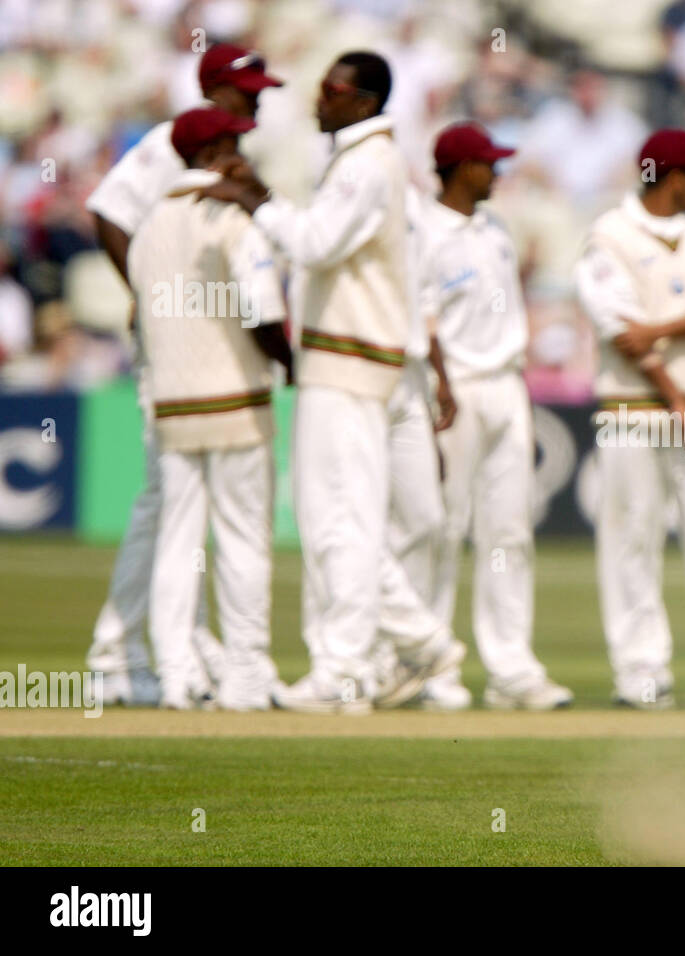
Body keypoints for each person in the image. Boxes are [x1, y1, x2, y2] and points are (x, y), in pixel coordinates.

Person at [203, 51, 458, 713]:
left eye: (333, 90)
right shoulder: (361, 159)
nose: (320, 100)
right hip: (347, 359)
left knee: (334, 521)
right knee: (341, 521)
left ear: (365, 101)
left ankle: (345, 670)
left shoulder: (368, 164)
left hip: (347, 362)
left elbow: (314, 242)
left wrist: (255, 195)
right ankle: (419, 643)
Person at [83, 43, 284, 706]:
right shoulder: (176, 140)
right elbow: (107, 211)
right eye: (246, 90)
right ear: (214, 94)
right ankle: (121, 653)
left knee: (173, 513)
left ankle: (179, 658)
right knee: (171, 511)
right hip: (198, 368)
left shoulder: (210, 164)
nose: (256, 101)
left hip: (183, 369)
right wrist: (148, 298)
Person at [575, 128, 685, 709]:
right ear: (672, 177)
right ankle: (641, 675)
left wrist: (657, 329)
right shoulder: (608, 234)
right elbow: (617, 328)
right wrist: (671, 386)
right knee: (632, 541)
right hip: (635, 409)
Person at [129, 108, 293, 709]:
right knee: (242, 539)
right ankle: (245, 677)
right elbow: (261, 310)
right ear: (219, 147)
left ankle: (177, 675)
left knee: (178, 540)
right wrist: (291, 363)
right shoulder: (232, 216)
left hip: (173, 406)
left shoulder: (150, 224)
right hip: (236, 403)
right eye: (237, 140)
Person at [414, 122, 573, 711]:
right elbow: (424, 321)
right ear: (459, 169)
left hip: (507, 385)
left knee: (508, 533)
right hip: (455, 388)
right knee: (442, 529)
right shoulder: (424, 233)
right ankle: (434, 669)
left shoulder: (494, 229)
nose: (497, 172)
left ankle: (512, 671)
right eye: (488, 164)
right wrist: (441, 385)